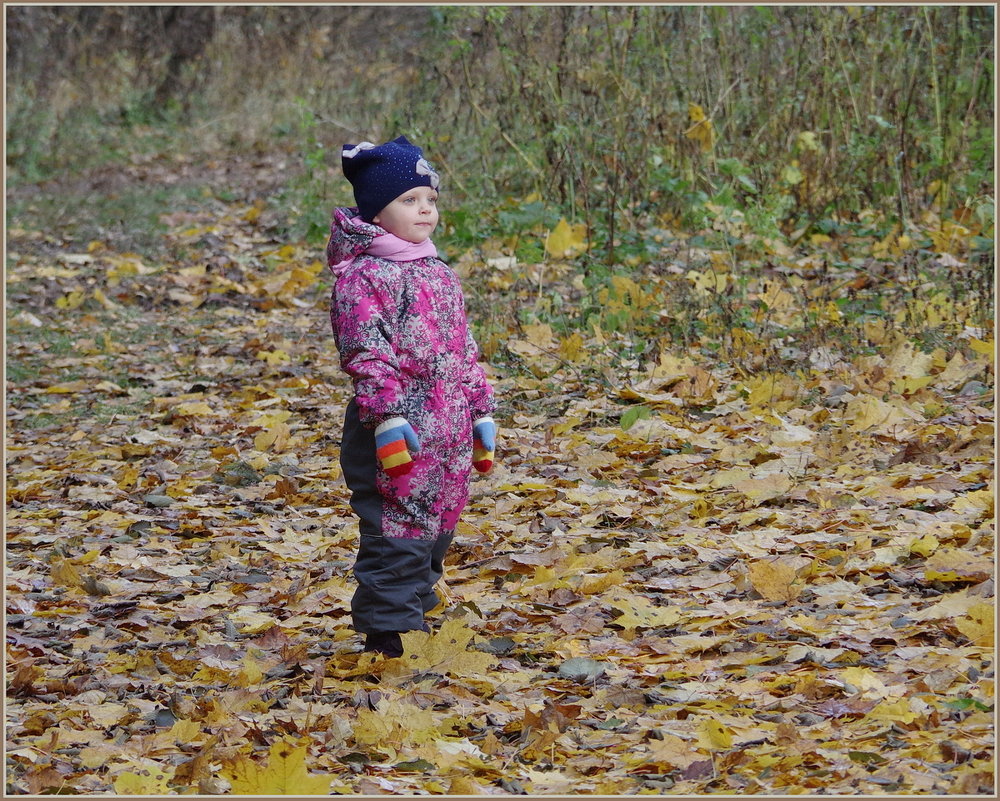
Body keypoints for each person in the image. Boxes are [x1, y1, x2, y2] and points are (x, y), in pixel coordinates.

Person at [326, 136, 497, 658]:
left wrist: (480, 407)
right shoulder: (365, 277)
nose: (424, 209)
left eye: (430, 199)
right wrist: (386, 416)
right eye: (409, 200)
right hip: (396, 425)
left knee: (436, 526)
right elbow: (367, 351)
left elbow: (461, 346)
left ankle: (413, 613)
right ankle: (386, 637)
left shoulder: (436, 270)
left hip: (446, 425)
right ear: (378, 211)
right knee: (395, 528)